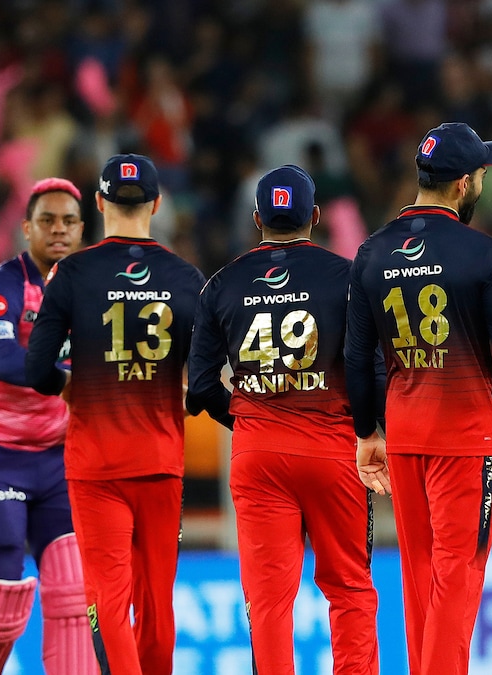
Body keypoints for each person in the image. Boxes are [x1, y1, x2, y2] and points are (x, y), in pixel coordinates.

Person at [345, 122, 492, 675]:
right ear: (464, 184)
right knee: (457, 573)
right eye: (482, 174)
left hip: (404, 434)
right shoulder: (480, 251)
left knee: (419, 574)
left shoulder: (371, 252)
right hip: (464, 437)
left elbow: (357, 358)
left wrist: (367, 433)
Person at [186, 165, 379, 674]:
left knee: (268, 599)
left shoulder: (220, 284)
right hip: (334, 449)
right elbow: (368, 366)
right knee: (350, 588)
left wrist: (250, 423)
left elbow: (201, 385)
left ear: (256, 220)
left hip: (257, 456)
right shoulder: (347, 276)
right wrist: (369, 427)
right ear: (315, 216)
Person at [25, 154, 205, 675]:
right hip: (160, 461)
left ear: (100, 204)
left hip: (95, 465)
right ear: (157, 204)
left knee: (107, 597)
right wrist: (179, 397)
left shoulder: (71, 273)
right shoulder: (186, 278)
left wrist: (69, 387)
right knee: (156, 603)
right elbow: (204, 382)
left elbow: (36, 369)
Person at [0, 178, 95, 674]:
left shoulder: (93, 292)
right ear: (27, 228)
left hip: (57, 459)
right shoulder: (4, 284)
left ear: (81, 229)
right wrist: (70, 380)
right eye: (47, 220)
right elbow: (0, 359)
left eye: (68, 221)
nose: (58, 230)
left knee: (75, 599)